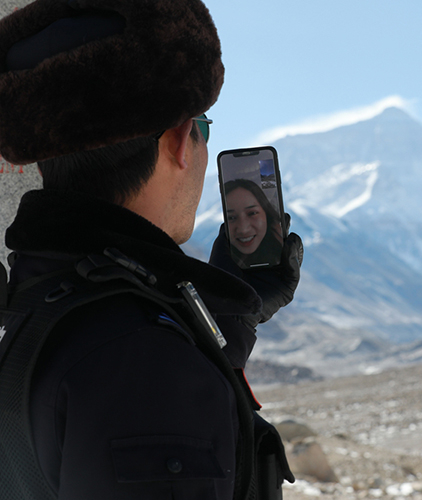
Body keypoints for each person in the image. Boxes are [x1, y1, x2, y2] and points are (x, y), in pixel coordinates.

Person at [0, 1, 301, 499]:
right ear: (180, 141)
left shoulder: (32, 295)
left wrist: (226, 316)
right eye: (203, 124)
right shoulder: (146, 365)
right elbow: (135, 381)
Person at [224, 179, 284, 268]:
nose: (243, 229)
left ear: (267, 213)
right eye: (231, 218)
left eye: (252, 213)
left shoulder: (282, 258)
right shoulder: (222, 264)